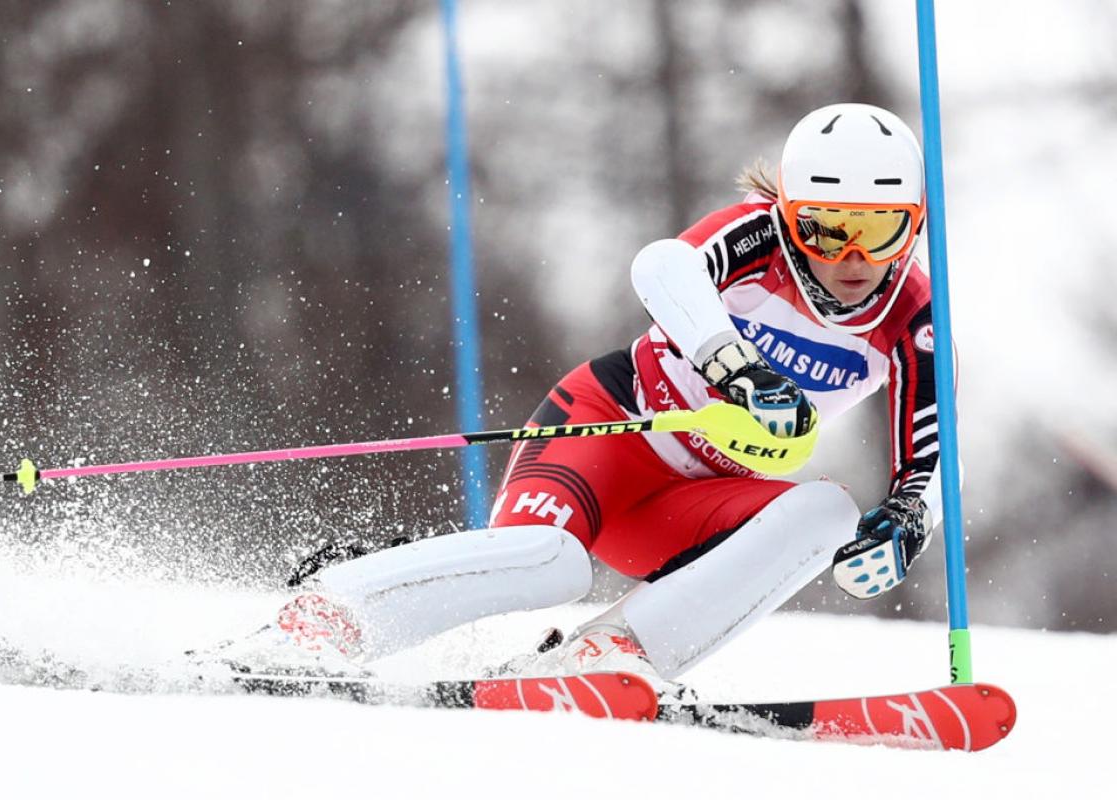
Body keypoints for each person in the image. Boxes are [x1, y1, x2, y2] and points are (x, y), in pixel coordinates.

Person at [226, 103, 946, 694]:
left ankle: (604, 655)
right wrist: (739, 370)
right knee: (550, 563)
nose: (852, 258)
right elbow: (663, 267)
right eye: (828, 227)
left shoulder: (909, 317)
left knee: (828, 511)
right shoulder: (756, 239)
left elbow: (933, 455)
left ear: (912, 222)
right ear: (790, 215)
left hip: (695, 502)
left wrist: (909, 522)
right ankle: (326, 618)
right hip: (608, 429)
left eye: (879, 231)